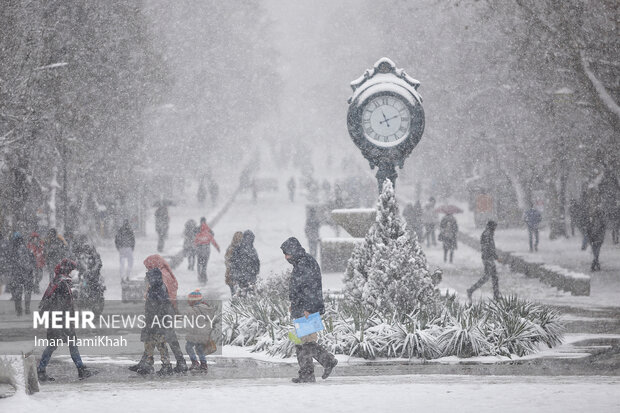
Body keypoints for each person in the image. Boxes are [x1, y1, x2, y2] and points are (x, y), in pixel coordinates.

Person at [281, 237, 337, 383]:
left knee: (306, 343)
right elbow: (300, 288)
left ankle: (325, 362)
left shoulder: (306, 263)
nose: (286, 257)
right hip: (301, 308)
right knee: (302, 342)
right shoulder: (301, 262)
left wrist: (309, 308)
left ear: (293, 251)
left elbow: (311, 288)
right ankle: (308, 373)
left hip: (307, 309)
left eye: (287, 253)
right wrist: (294, 304)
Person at [37, 259, 95, 381]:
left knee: (55, 345)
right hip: (61, 319)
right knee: (67, 344)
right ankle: (80, 370)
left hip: (55, 319)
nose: (74, 273)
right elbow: (66, 304)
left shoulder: (57, 281)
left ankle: (42, 370)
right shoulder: (63, 283)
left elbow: (46, 302)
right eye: (72, 270)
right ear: (68, 270)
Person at [143, 254, 188, 372]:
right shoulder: (165, 273)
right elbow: (172, 293)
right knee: (158, 335)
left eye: (148, 266)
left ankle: (176, 363)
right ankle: (146, 362)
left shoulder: (160, 275)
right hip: (167, 309)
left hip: (162, 310)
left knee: (162, 335)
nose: (148, 269)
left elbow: (163, 294)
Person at [134, 267, 175, 376]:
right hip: (153, 320)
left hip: (157, 321)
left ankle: (166, 365)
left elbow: (160, 307)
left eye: (148, 280)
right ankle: (149, 364)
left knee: (160, 343)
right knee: (149, 342)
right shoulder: (155, 288)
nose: (147, 282)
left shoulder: (158, 290)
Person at [467, 220, 501, 302]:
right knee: (487, 277)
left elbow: (489, 247)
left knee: (494, 277)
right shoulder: (487, 234)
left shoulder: (488, 233)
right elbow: (488, 247)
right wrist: (495, 257)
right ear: (491, 226)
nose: (495, 229)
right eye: (495, 227)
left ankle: (496, 295)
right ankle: (471, 290)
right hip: (487, 259)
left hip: (489, 258)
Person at [184, 290, 215, 372]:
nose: (188, 301)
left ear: (194, 300)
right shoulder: (206, 308)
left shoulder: (194, 309)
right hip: (204, 333)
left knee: (188, 347)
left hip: (196, 333)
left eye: (189, 300)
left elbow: (191, 318)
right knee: (200, 348)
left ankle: (195, 362)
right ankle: (203, 364)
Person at [8, 233, 36, 316]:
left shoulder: (13, 251)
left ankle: (19, 309)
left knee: (18, 292)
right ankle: (27, 308)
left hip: (17, 274)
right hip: (28, 274)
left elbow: (10, 264)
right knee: (27, 291)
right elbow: (33, 261)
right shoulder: (27, 250)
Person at [230, 230, 260, 297]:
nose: (248, 240)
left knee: (244, 295)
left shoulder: (240, 248)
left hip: (245, 276)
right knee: (244, 295)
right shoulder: (248, 249)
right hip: (243, 277)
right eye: (248, 238)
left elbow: (256, 263)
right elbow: (233, 262)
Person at [194, 217, 220, 285]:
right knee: (205, 264)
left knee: (199, 263)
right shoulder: (208, 231)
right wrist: (217, 248)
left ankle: (200, 275)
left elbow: (195, 241)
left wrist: (195, 247)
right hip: (206, 249)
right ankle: (204, 275)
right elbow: (212, 239)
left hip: (199, 249)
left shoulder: (197, 230)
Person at [586, 207, 606, 271]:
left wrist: (590, 236)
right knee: (596, 253)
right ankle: (596, 265)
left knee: (596, 253)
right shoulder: (600, 221)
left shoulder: (593, 221)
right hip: (597, 239)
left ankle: (594, 266)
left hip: (594, 239)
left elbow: (589, 230)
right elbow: (589, 229)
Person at [224, 231, 244, 295]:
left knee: (234, 293)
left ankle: (235, 302)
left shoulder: (231, 247)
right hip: (238, 274)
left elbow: (227, 260)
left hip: (233, 274)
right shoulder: (244, 248)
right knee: (239, 293)